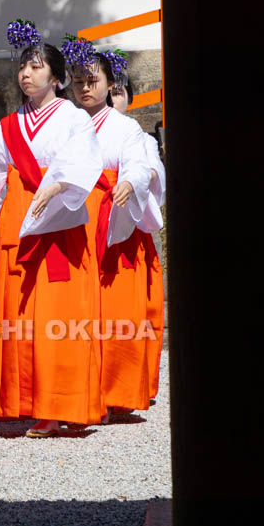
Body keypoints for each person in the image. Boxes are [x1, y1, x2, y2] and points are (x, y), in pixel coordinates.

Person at [0, 39, 106, 438]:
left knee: (58, 315)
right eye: (22, 67)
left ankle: (59, 402)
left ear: (57, 76)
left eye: (35, 67)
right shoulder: (10, 124)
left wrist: (58, 183)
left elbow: (81, 158)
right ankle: (22, 399)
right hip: (18, 217)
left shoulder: (72, 117)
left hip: (58, 221)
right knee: (18, 313)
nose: (26, 74)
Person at [71, 51, 155, 416]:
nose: (85, 88)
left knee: (114, 310)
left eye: (93, 81)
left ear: (109, 83)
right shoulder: (65, 121)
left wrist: (131, 181)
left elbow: (139, 164)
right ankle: (77, 390)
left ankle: (113, 391)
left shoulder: (126, 128)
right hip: (72, 219)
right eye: (78, 81)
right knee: (75, 310)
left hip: (111, 217)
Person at [109, 69, 166, 402]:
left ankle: (136, 380)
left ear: (130, 97)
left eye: (120, 92)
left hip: (131, 228)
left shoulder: (141, 138)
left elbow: (156, 181)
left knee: (136, 308)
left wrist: (135, 180)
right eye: (110, 90)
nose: (115, 98)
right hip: (96, 223)